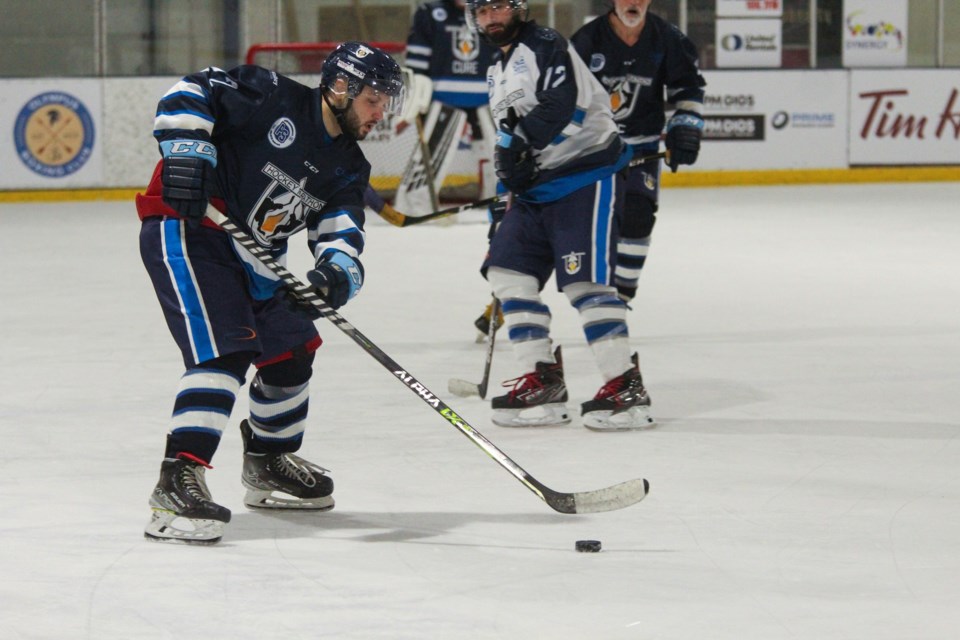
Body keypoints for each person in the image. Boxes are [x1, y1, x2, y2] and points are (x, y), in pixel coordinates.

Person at [135, 42, 404, 544]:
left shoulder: (348, 166)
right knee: (226, 350)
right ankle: (176, 480)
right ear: (341, 88)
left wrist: (334, 275)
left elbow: (343, 234)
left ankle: (268, 460)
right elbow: (190, 90)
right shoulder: (271, 97)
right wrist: (189, 151)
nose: (380, 113)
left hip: (256, 255)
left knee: (292, 351)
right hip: (190, 229)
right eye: (374, 99)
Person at [464, 0, 654, 431]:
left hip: (584, 177)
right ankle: (542, 379)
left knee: (585, 285)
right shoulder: (496, 71)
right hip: (534, 193)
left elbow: (563, 106)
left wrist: (518, 147)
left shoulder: (545, 44)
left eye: (498, 7)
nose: (491, 18)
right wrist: (503, 193)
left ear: (517, 8)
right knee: (507, 274)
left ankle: (625, 387)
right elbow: (508, 138)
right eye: (482, 11)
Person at [571, 0, 705, 302]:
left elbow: (688, 89)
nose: (634, 2)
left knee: (638, 216)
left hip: (641, 149)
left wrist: (685, 124)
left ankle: (621, 298)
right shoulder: (586, 40)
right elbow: (565, 96)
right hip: (594, 151)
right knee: (581, 228)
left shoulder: (667, 38)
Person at [394, 0, 499, 216]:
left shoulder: (492, 9)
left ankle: (501, 202)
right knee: (428, 160)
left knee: (499, 157)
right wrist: (413, 97)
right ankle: (414, 208)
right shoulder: (431, 12)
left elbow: (503, 53)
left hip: (488, 98)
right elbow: (417, 62)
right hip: (444, 98)